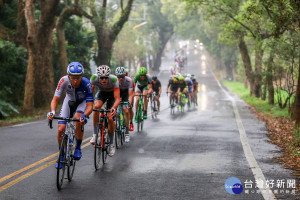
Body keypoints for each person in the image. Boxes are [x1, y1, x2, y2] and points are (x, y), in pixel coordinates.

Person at [47, 62, 93, 169]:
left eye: (78, 78)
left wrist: (84, 116)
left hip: (82, 103)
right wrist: (53, 112)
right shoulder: (63, 80)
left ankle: (78, 147)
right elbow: (55, 99)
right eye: (73, 78)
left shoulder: (87, 84)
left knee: (77, 118)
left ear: (82, 76)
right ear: (69, 76)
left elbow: (90, 106)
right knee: (61, 129)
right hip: (69, 101)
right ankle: (61, 155)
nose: (76, 81)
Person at [89, 65, 120, 157]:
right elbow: (89, 94)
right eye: (101, 78)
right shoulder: (93, 78)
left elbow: (117, 98)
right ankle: (95, 134)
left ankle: (111, 144)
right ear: (98, 77)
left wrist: (114, 107)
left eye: (106, 78)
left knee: (110, 118)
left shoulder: (114, 79)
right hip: (101, 93)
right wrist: (89, 105)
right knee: (97, 106)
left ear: (109, 76)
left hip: (112, 95)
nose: (104, 80)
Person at [115, 67, 134, 142]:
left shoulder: (129, 80)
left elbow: (130, 94)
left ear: (125, 75)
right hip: (117, 93)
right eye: (119, 77)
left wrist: (129, 102)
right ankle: (117, 120)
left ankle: (126, 132)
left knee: (126, 111)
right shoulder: (114, 81)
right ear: (116, 76)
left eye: (122, 76)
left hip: (126, 93)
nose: (120, 78)